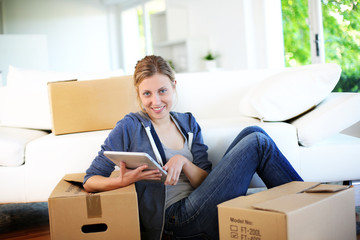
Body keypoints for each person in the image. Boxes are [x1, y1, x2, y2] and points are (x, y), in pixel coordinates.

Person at [83, 55, 303, 240]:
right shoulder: (130, 126)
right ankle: (307, 206)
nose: (156, 101)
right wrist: (122, 181)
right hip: (175, 220)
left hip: (201, 204)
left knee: (254, 134)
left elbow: (204, 181)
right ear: (139, 95)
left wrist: (184, 162)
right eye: (147, 94)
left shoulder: (188, 123)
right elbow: (90, 180)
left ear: (174, 87)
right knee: (258, 143)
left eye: (162, 91)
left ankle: (305, 207)